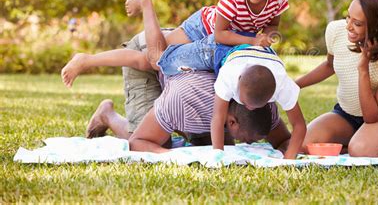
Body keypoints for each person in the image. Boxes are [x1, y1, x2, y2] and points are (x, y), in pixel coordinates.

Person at [61, 0, 289, 87]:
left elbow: (273, 24)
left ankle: (87, 60)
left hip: (226, 41)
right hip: (203, 27)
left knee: (147, 61)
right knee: (154, 58)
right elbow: (220, 35)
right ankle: (146, 1)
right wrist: (252, 40)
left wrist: (268, 36)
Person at [296, 0, 378, 157]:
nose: (348, 26)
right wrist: (295, 85)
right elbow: (329, 66)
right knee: (304, 144)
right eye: (348, 17)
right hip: (347, 113)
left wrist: (363, 68)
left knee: (359, 150)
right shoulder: (336, 31)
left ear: (377, 27)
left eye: (357, 23)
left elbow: (371, 117)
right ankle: (363, 142)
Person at [88, 71, 291, 153]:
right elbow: (137, 144)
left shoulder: (260, 101)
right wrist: (169, 155)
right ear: (232, 123)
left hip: (183, 79)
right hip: (148, 60)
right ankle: (108, 114)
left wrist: (284, 153)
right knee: (155, 142)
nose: (248, 144)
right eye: (247, 139)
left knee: (216, 146)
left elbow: (285, 141)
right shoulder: (186, 101)